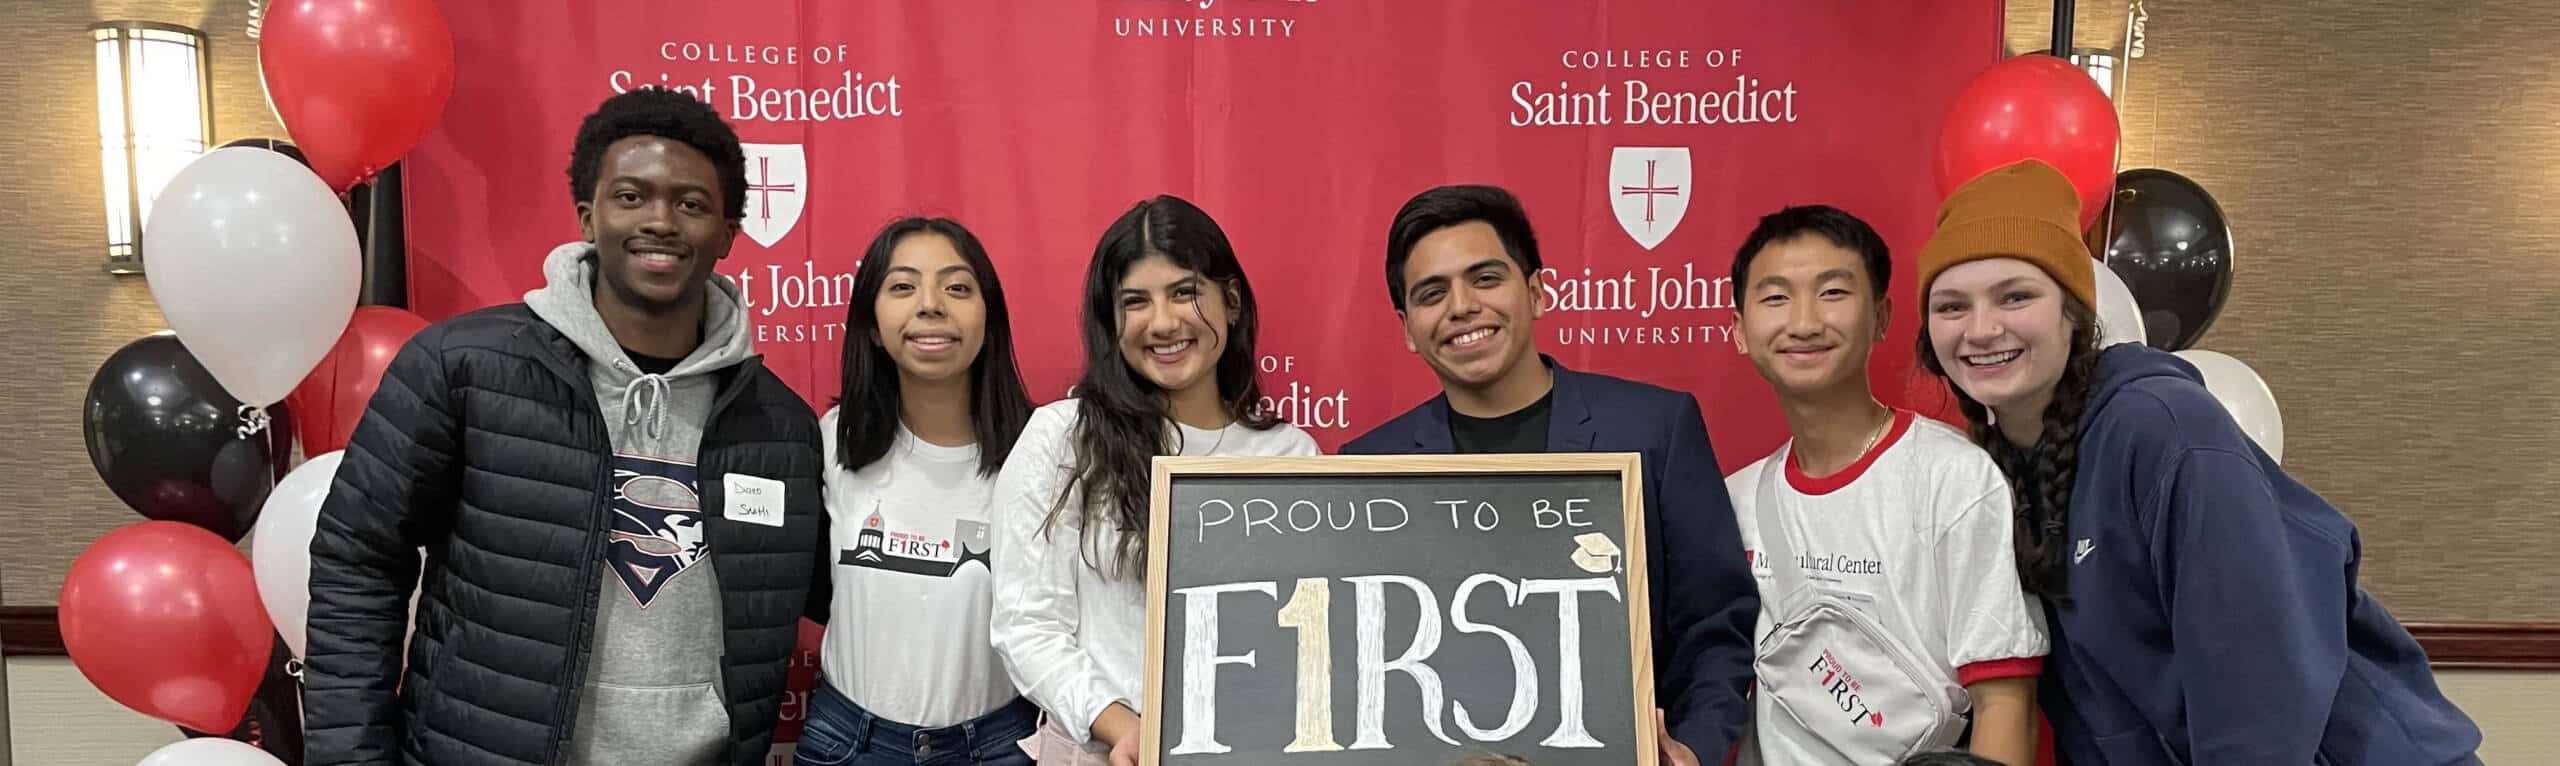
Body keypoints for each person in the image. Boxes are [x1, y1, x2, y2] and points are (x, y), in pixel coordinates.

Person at [303, 87, 829, 765]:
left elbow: (837, 590)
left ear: (729, 232)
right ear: (588, 216)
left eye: (692, 203)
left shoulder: (780, 425)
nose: (661, 221)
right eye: (632, 196)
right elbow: (359, 561)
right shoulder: (463, 368)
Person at [1913, 159, 2483, 765]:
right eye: (1951, 306)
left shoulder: (2165, 428)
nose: (1981, 329)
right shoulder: (1993, 470)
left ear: (2072, 314)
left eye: (2016, 297)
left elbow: (2259, 686)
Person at [1340, 184, 1759, 765]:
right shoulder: (1365, 470)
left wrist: (1694, 749)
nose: (1461, 306)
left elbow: (1716, 625)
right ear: (1408, 328)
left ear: (1535, 292)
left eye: (1486, 278)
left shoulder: (1656, 428)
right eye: (1432, 293)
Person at [990, 195, 1321, 765]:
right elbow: (1027, 626)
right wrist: (1124, 728)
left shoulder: (1290, 453)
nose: (1163, 322)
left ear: (1232, 302)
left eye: (1185, 293)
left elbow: (1310, 635)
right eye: (1135, 302)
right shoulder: (1062, 437)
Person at [1722, 205, 2043, 765]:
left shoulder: (1953, 478)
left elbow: (2004, 700)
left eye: (1833, 293)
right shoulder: (1736, 499)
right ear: (1740, 330)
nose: (1803, 322)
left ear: (1881, 317)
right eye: (1775, 298)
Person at [804, 217, 1040, 765]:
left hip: (1001, 743)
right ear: (870, 320)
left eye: (957, 287)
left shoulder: (1041, 453)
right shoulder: (832, 441)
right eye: (903, 286)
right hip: (849, 744)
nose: (931, 305)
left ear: (991, 316)